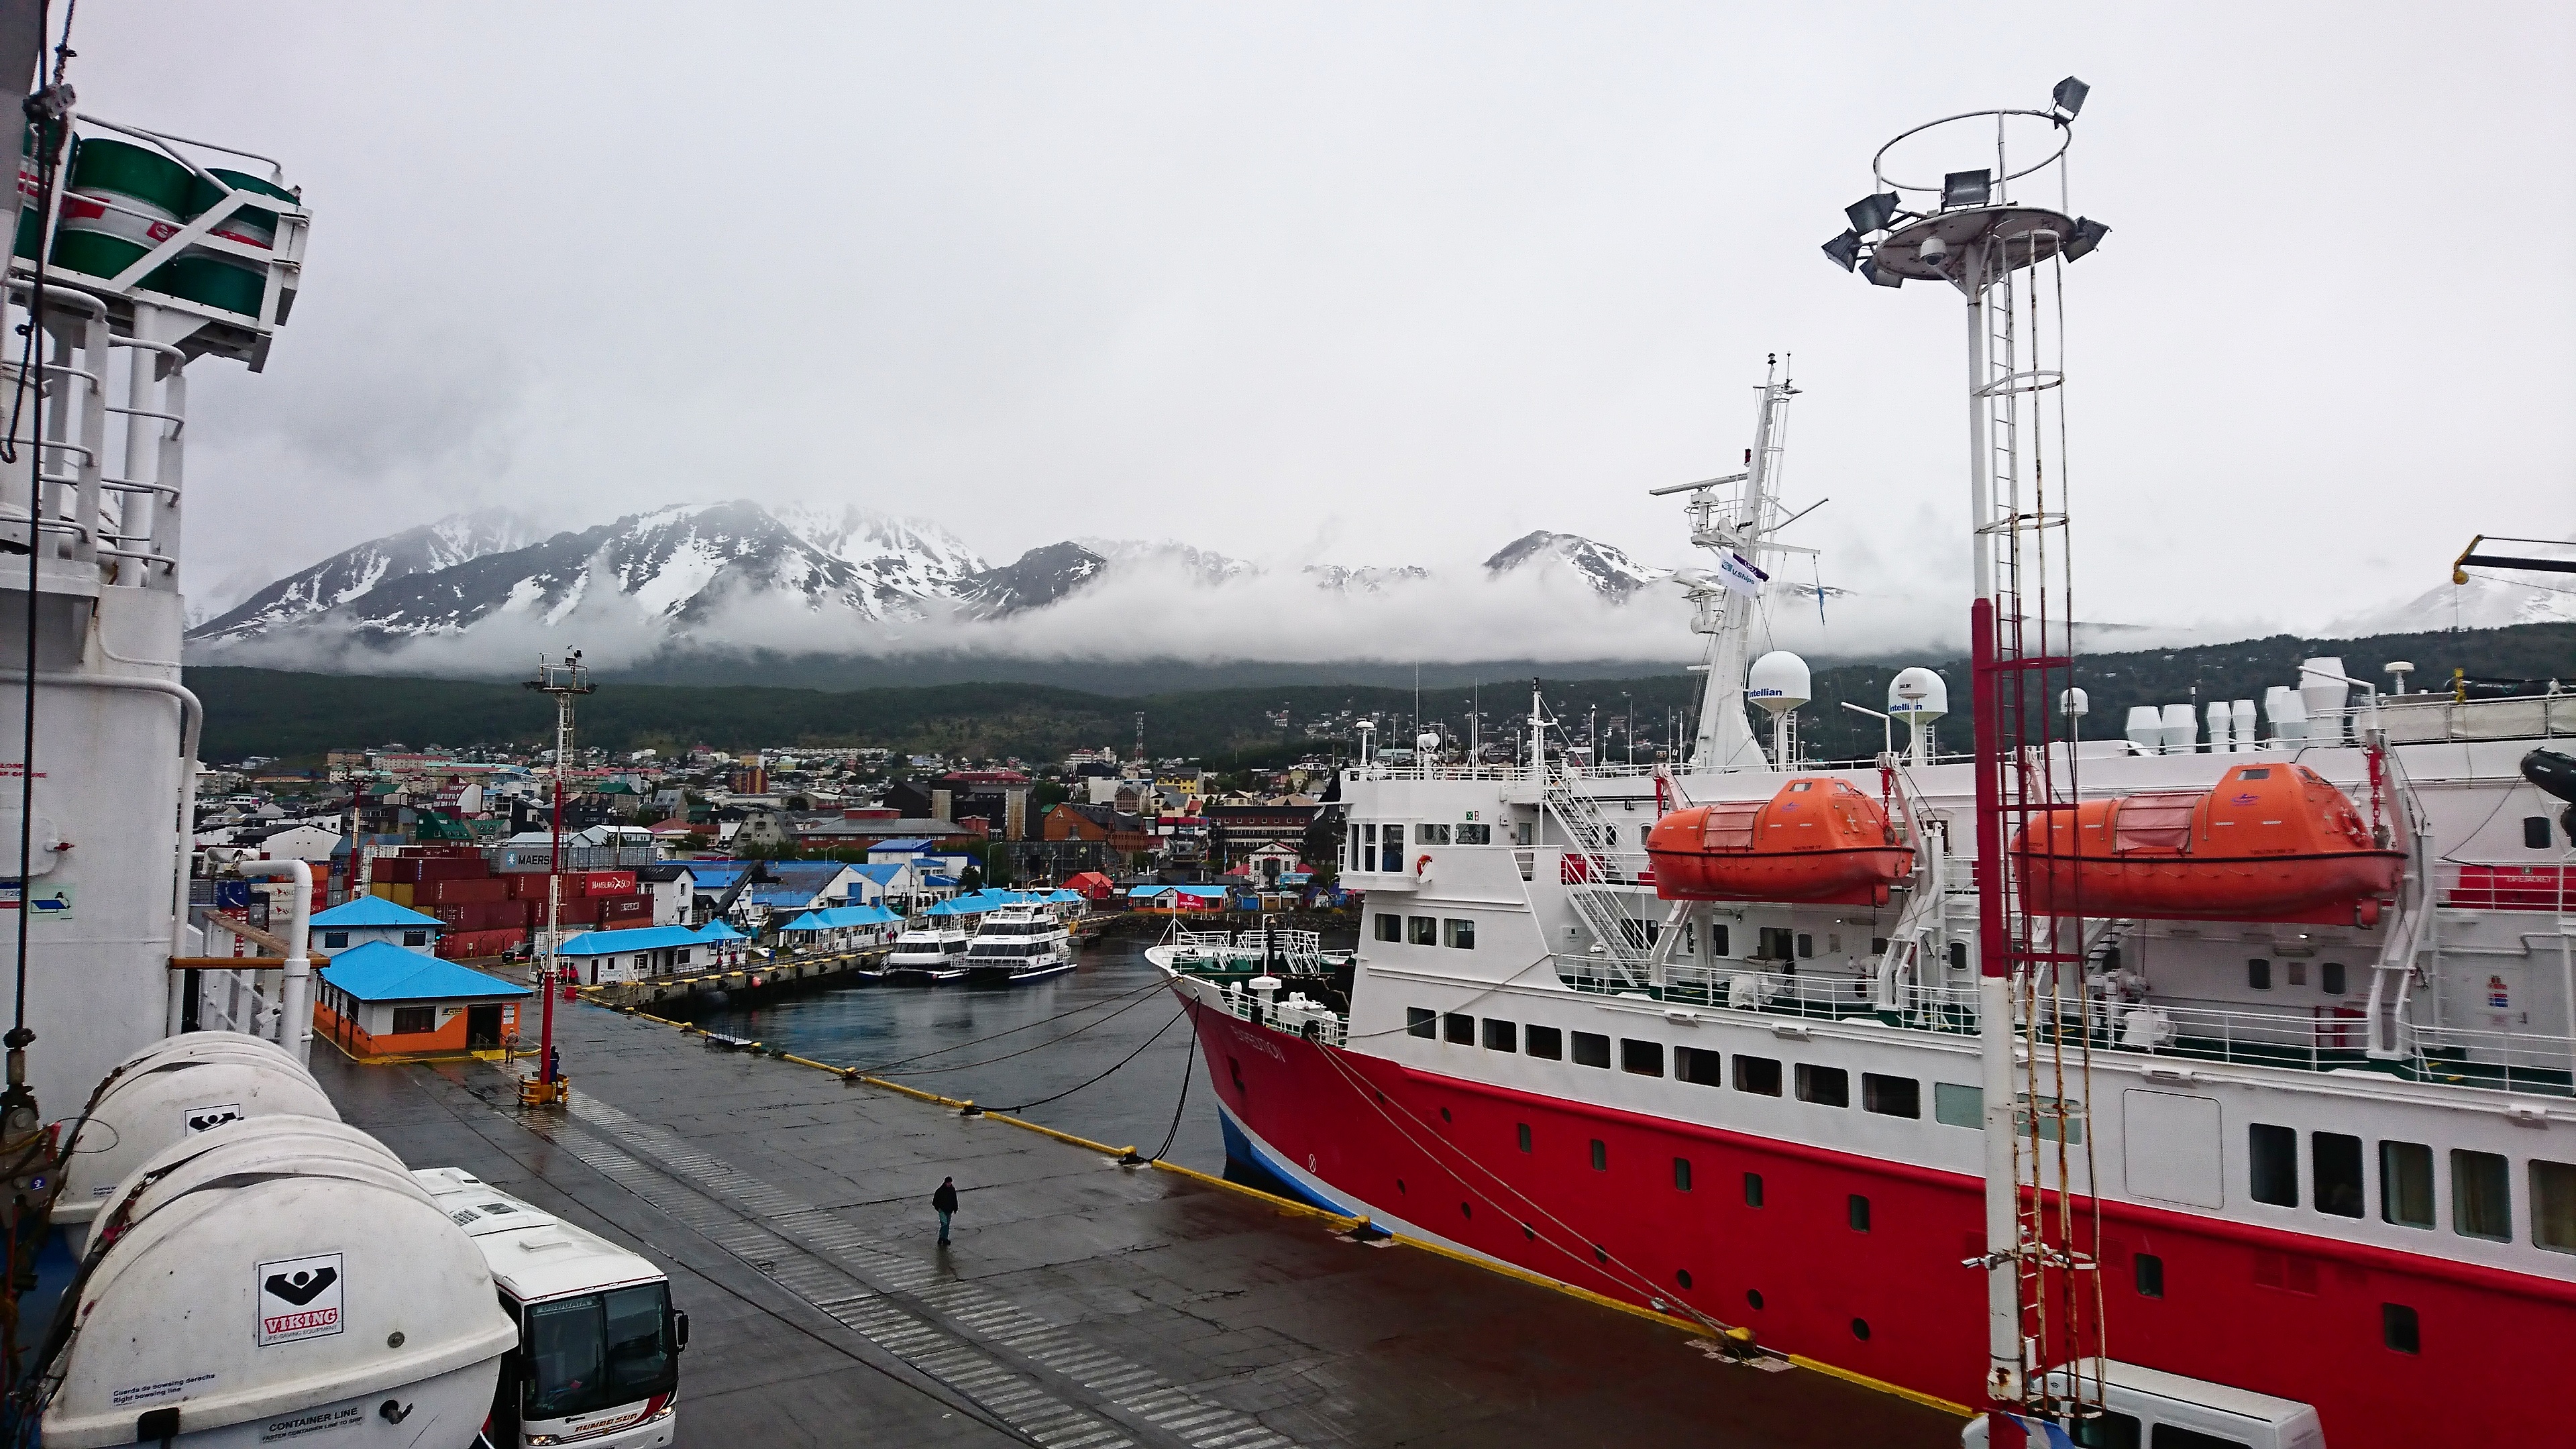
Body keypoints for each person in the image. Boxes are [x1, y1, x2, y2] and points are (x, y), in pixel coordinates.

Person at [932, 1176, 960, 1246]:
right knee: (944, 1223)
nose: (949, 1184)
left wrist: (955, 1208)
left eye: (950, 1183)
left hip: (949, 1210)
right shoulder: (940, 1191)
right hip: (942, 1210)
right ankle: (942, 1237)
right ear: (945, 1183)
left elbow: (954, 1200)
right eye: (948, 1183)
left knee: (947, 1224)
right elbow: (935, 1201)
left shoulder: (952, 1190)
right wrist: (938, 1208)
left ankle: (944, 1238)